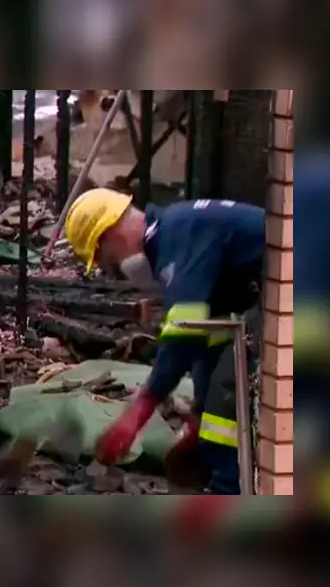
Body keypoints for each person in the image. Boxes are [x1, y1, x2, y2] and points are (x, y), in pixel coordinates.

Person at [64, 188, 264, 495]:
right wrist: (198, 414)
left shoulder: (178, 238)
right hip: (284, 287)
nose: (114, 273)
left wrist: (139, 411)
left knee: (228, 400)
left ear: (108, 235)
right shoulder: (175, 233)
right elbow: (211, 336)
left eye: (108, 262)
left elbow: (182, 336)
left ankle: (228, 492)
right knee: (220, 398)